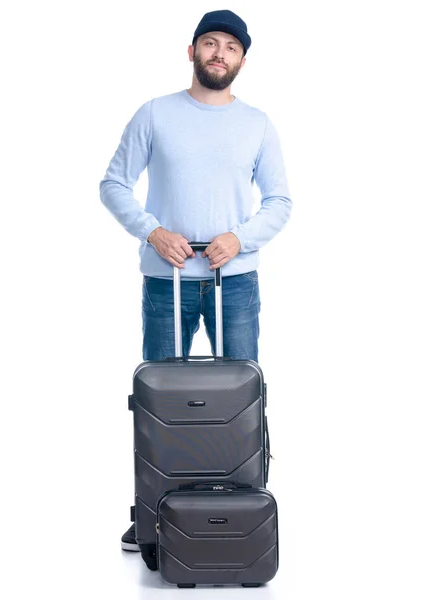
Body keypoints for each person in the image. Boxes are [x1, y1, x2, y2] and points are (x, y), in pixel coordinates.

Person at [99, 9, 292, 552]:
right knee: (161, 403)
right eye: (209, 43)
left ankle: (242, 507)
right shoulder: (155, 114)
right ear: (191, 52)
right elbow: (114, 184)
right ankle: (153, 514)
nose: (218, 54)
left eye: (230, 48)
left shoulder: (257, 123)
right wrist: (153, 231)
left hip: (236, 282)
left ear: (242, 61)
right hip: (169, 280)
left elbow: (279, 201)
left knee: (239, 402)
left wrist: (240, 237)